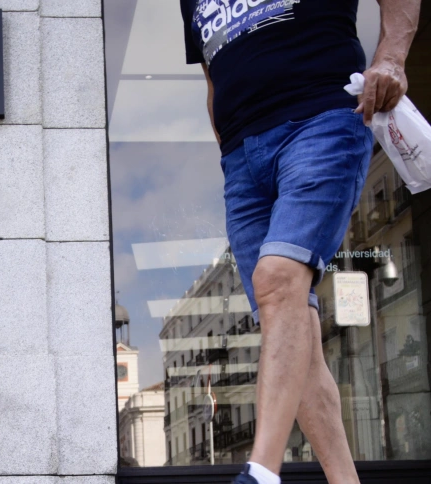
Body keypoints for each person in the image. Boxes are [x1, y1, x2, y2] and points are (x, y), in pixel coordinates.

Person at [178, 1, 421, 483]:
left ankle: (261, 472)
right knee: (296, 335)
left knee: (277, 280)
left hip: (322, 119)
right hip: (243, 159)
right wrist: (229, 151)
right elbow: (214, 75)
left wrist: (391, 57)